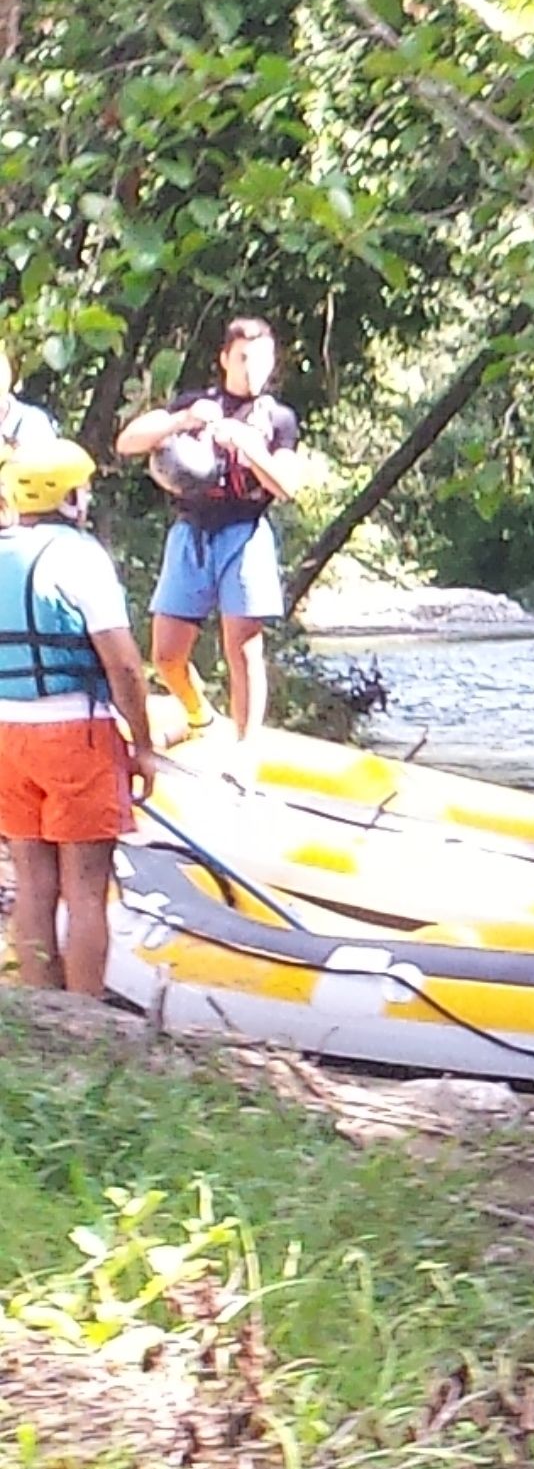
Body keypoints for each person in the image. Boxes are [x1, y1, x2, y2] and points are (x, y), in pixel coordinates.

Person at [0, 442, 156, 998]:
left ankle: (42, 1017)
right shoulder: (81, 556)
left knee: (33, 882)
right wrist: (143, 744)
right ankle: (85, 1020)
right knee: (87, 888)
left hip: (7, 736)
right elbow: (124, 665)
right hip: (75, 733)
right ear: (67, 497)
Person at [112, 317, 301, 742]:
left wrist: (250, 448)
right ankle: (199, 716)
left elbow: (286, 486)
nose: (253, 369)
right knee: (166, 654)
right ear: (225, 359)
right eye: (244, 359)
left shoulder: (280, 419)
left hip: (245, 534)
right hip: (190, 532)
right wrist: (181, 420)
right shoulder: (197, 402)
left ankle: (246, 748)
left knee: (244, 646)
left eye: (262, 360)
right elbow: (127, 442)